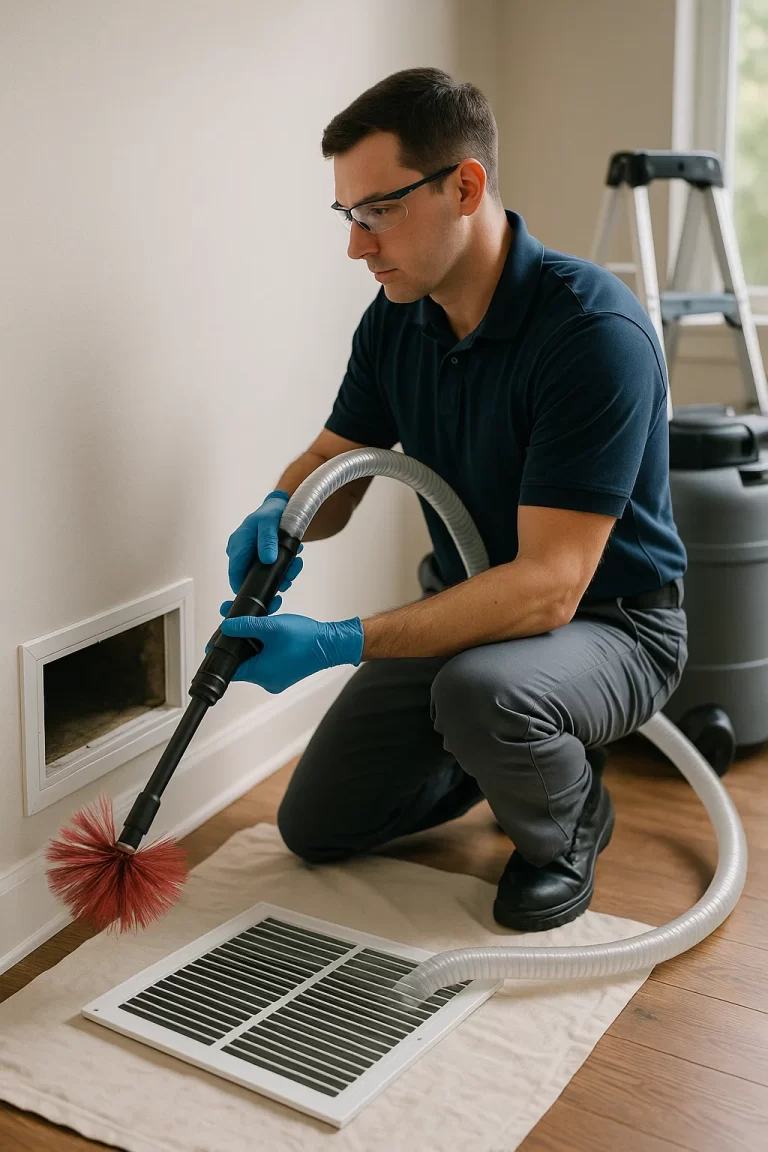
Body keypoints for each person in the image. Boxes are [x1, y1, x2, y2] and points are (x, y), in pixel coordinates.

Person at [218, 67, 688, 932]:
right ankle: (505, 754)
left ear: (464, 185)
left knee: (485, 694)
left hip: (612, 625)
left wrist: (336, 642)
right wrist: (279, 518)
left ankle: (570, 820)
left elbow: (551, 587)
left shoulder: (593, 335)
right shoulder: (399, 315)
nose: (358, 246)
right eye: (348, 217)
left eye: (378, 212)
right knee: (317, 826)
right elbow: (335, 461)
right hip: (470, 614)